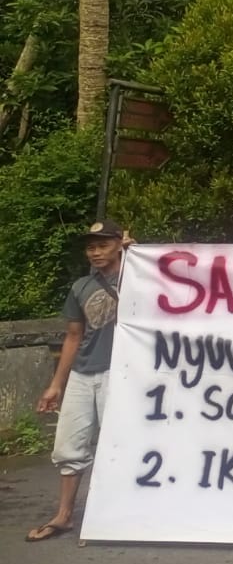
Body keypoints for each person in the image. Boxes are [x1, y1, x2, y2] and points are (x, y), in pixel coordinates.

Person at [28, 219, 128, 543]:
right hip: (84, 372)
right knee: (68, 445)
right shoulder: (81, 287)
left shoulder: (134, 277)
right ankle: (64, 515)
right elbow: (73, 336)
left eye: (103, 244)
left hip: (120, 370)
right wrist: (57, 384)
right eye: (91, 246)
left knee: (120, 443)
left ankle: (120, 515)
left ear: (117, 243)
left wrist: (135, 252)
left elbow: (165, 279)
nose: (96, 252)